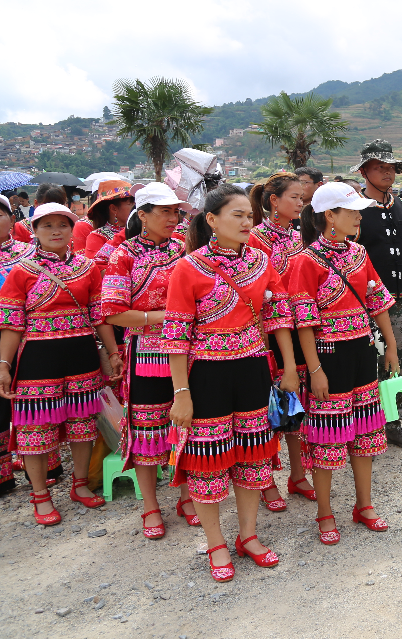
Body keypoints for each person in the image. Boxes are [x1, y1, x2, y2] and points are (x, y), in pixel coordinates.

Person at [164, 184, 300, 581]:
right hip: (206, 375)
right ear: (211, 220)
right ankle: (216, 544)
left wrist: (288, 367)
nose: (246, 222)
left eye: (249, 215)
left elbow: (278, 317)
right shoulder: (188, 268)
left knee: (254, 458)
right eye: (236, 215)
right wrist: (181, 393)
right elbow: (175, 335)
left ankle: (248, 536)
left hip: (253, 368)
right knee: (208, 464)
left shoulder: (261, 260)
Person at [0, 202, 125, 525]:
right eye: (47, 225)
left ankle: (79, 484)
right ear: (34, 231)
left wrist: (111, 353)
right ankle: (40, 495)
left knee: (83, 426)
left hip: (81, 356)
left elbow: (99, 316)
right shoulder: (22, 271)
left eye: (62, 225)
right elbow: (11, 324)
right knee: (35, 431)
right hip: (38, 361)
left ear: (71, 230)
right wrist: (4, 366)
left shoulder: (87, 268)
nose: (55, 231)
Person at [290, 182, 399, 545]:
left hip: (363, 351)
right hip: (329, 358)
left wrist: (392, 345)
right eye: (351, 211)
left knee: (366, 434)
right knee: (327, 438)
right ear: (329, 216)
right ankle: (325, 512)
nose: (359, 216)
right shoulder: (304, 262)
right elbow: (304, 323)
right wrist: (315, 368)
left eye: (359, 210)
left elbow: (376, 302)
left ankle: (364, 505)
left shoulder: (359, 253)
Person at [101, 183, 194, 538]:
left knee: (187, 423)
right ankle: (151, 506)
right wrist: (165, 316)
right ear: (142, 215)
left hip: (187, 349)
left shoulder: (185, 248)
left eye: (177, 212)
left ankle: (187, 494)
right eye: (166, 212)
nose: (174, 218)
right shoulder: (122, 255)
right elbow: (112, 313)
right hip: (149, 354)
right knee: (147, 429)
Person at [246, 172, 314, 507]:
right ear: (274, 201)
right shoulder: (256, 239)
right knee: (267, 408)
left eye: (302, 198)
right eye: (294, 197)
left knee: (293, 404)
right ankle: (264, 481)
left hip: (296, 327)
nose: (300, 203)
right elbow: (257, 293)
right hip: (266, 333)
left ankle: (298, 475)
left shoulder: (296, 235)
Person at [353, 140, 402, 451]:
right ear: (365, 170)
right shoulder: (355, 208)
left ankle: (394, 423)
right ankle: (366, 425)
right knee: (370, 364)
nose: (387, 172)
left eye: (391, 167)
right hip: (367, 304)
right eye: (379, 167)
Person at [0, 193, 35, 506]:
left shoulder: (30, 253)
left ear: (11, 219)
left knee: (33, 400)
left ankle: (41, 466)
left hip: (28, 338)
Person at [84, 180, 136, 267]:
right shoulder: (97, 237)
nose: (135, 208)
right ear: (113, 208)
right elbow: (98, 271)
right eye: (130, 204)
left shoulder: (142, 230)